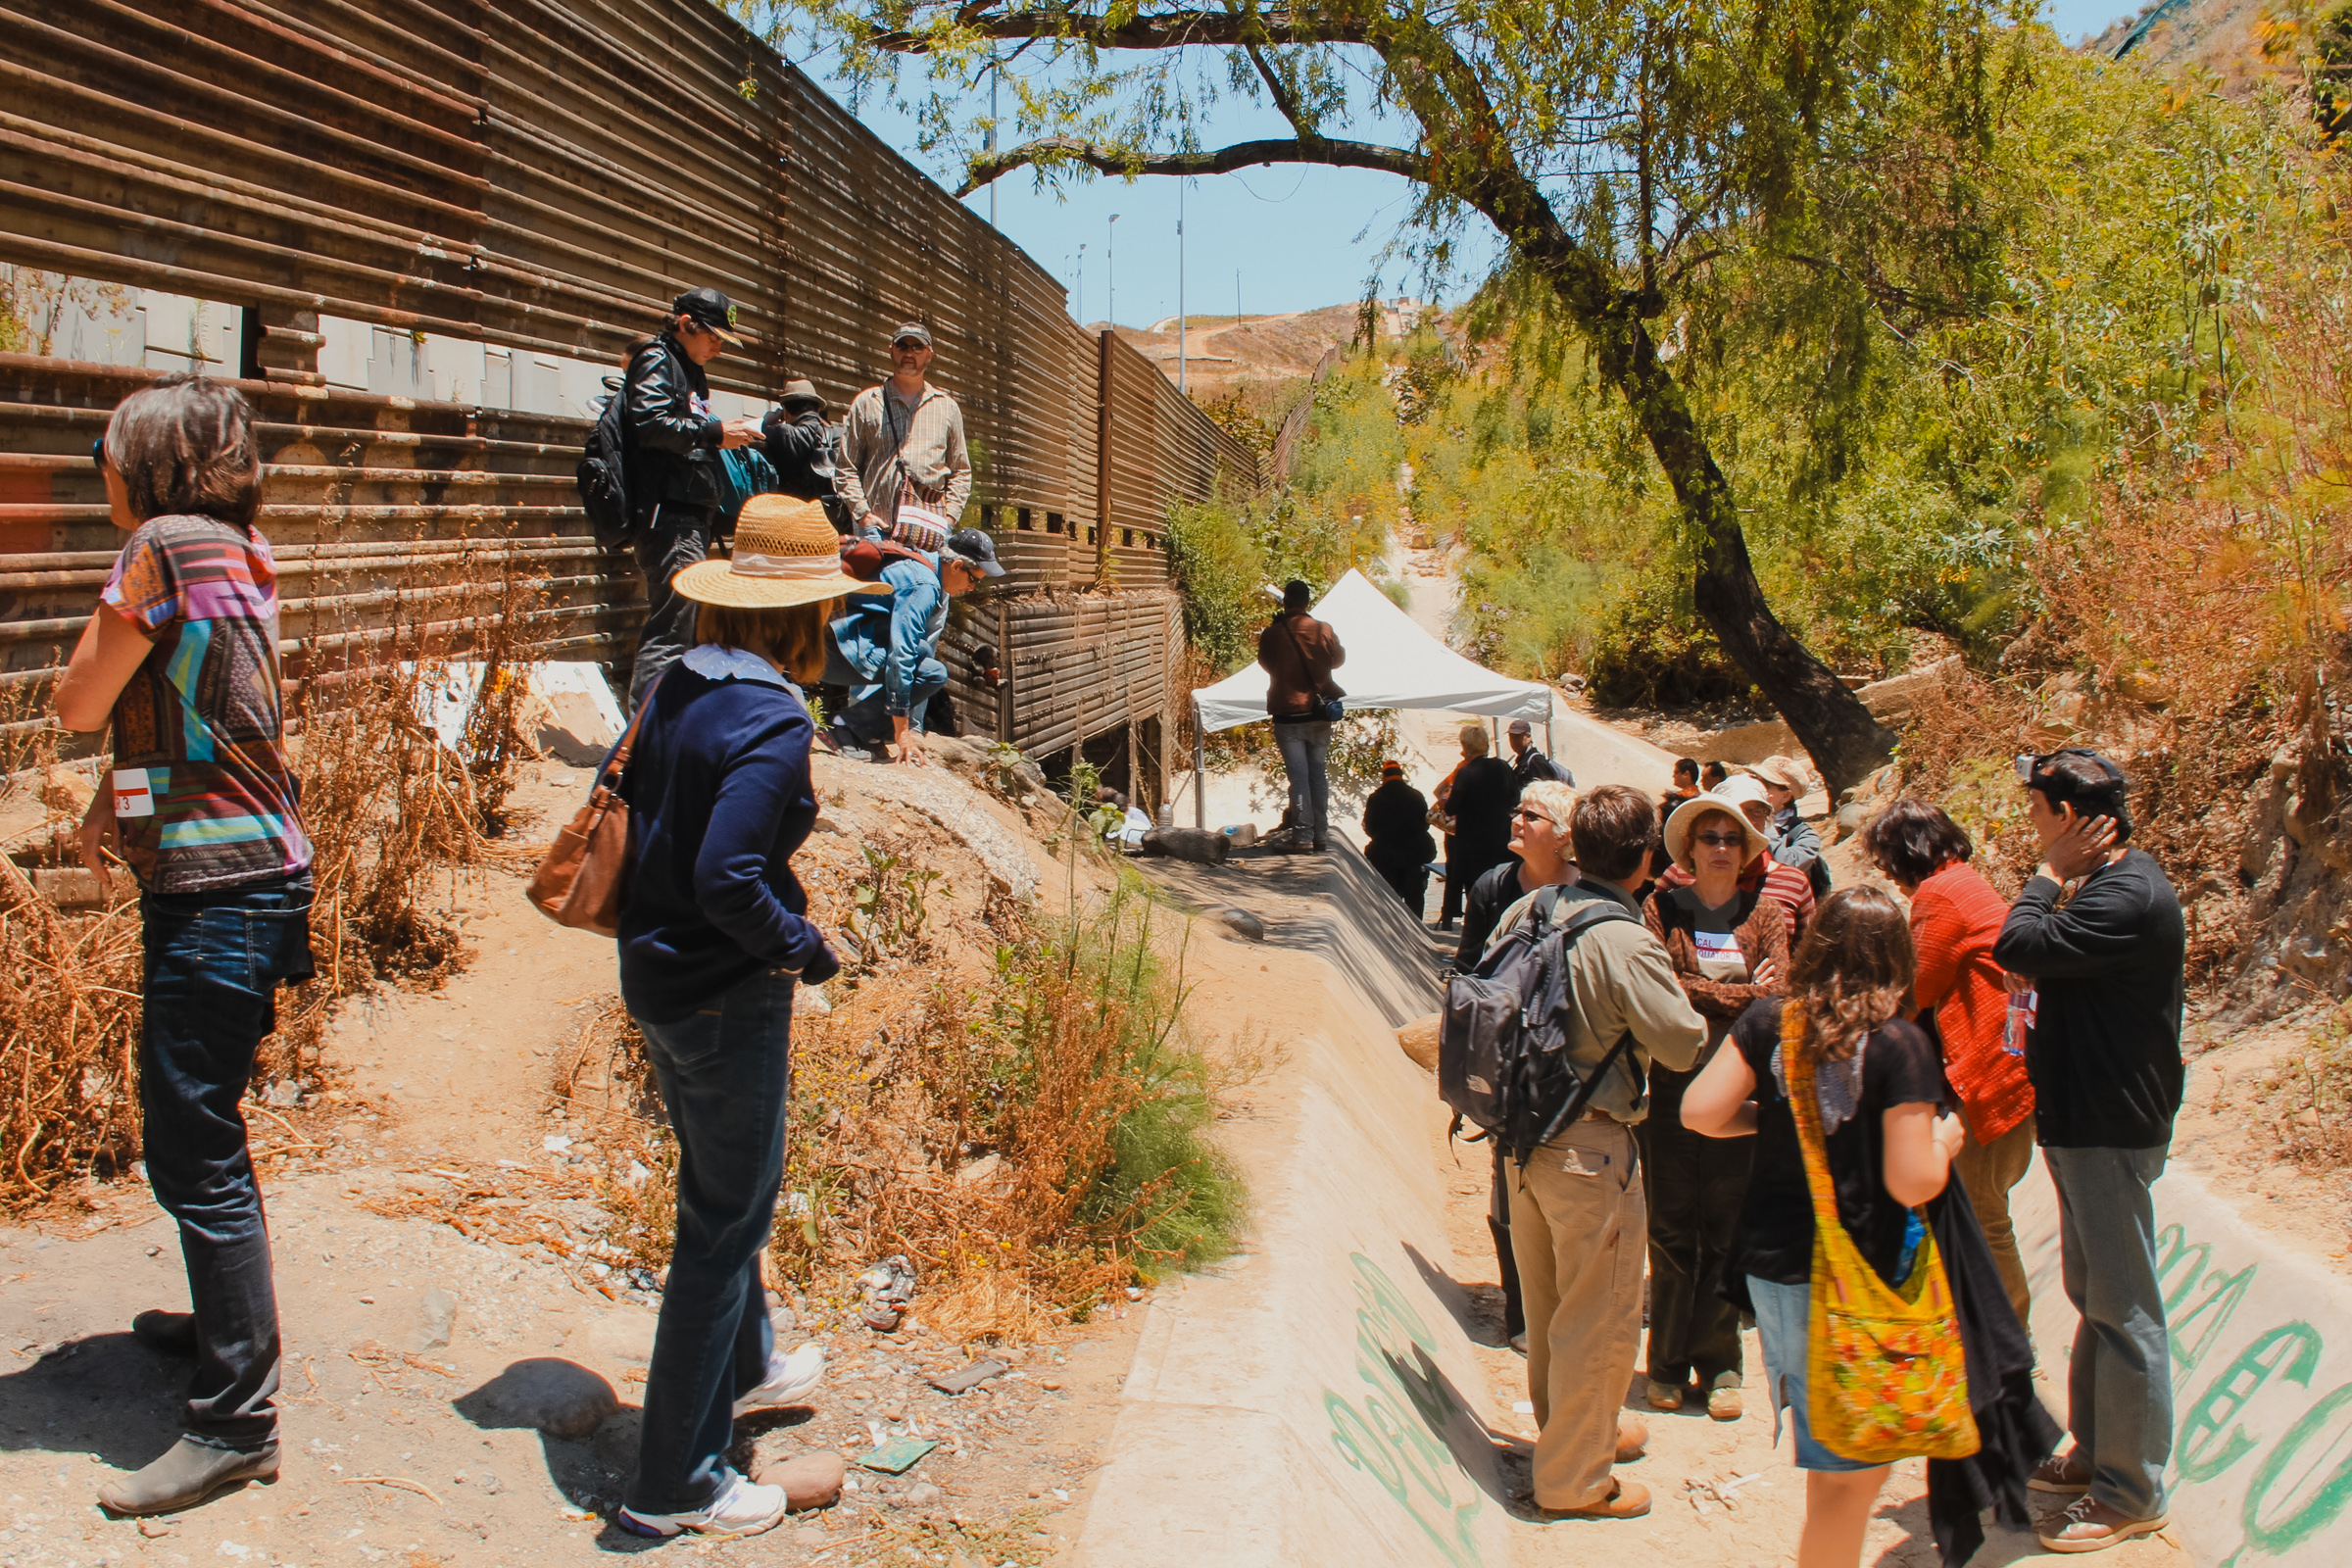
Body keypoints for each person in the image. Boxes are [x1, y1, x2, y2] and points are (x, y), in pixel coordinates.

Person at [52, 377, 315, 1516]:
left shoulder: (158, 546)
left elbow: (76, 699)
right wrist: (125, 799)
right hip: (257, 873)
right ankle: (222, 1327)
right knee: (200, 1122)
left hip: (218, 891)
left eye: (109, 452)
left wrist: (92, 727)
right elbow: (207, 706)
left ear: (151, 462)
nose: (100, 470)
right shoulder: (238, 546)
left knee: (193, 1142)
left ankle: (235, 1421)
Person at [611, 498, 857, 1540]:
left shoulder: (680, 682)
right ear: (800, 617)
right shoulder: (771, 717)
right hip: (723, 993)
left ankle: (747, 1367)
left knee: (723, 1195)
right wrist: (804, 946)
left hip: (658, 977)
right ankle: (674, 1483)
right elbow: (729, 875)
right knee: (722, 1223)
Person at [1681, 888, 1969, 1568]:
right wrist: (1949, 1139)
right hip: (1862, 1282)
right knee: (1851, 1480)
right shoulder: (1902, 1044)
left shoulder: (1769, 1021)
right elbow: (1913, 1180)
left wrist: (1774, 1118)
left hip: (1777, 1268)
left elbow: (1700, 1112)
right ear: (1897, 958)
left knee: (1831, 1466)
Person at [1991, 749, 2184, 1554]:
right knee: (2094, 1298)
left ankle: (2130, 1490)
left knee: (2124, 1310)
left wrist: (2042, 875)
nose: (2032, 827)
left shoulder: (2127, 895)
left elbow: (2018, 945)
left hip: (2108, 1124)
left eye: (2038, 812)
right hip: (2082, 1120)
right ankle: (2097, 1455)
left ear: (2070, 819)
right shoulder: (2104, 890)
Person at [1510, 785, 1709, 1521]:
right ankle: (1573, 1479)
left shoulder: (1530, 909)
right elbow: (1681, 1043)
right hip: (1591, 1148)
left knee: (1551, 1302)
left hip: (1520, 1137)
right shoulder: (1625, 940)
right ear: (1646, 860)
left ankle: (1566, 1433)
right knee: (1601, 1315)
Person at [1639, 788, 1790, 1421]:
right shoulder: (1661, 908)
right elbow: (1660, 986)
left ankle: (1721, 1361)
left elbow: (1779, 994)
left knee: (1727, 1226)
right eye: (1710, 840)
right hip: (1672, 1085)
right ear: (1689, 851)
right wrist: (1733, 994)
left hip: (1740, 1089)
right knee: (1672, 1226)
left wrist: (1700, 993)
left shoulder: (1769, 915)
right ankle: (1667, 1362)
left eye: (1732, 840)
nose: (1723, 850)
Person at [1859, 797, 2037, 1324]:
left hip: (1984, 1080)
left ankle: (2010, 1337)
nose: (1892, 878)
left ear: (1904, 854)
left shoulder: (1940, 894)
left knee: (1982, 1216)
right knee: (1974, 1212)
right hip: (2005, 1071)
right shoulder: (1966, 881)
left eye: (1888, 864)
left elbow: (1916, 991)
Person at [1453, 778, 1581, 1350]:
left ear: (1563, 836)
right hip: (1508, 1063)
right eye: (1518, 811)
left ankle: (1566, 1311)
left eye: (1531, 815)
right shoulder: (1492, 887)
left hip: (1571, 1065)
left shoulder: (1593, 895)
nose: (1517, 820)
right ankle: (1522, 1312)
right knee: (1508, 1191)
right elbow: (1468, 970)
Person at [624, 287, 764, 710]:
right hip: (668, 517)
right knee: (670, 630)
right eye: (714, 337)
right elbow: (649, 423)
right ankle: (642, 739)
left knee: (681, 627)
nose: (719, 348)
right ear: (686, 324)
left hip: (687, 516)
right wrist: (715, 433)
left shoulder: (687, 367)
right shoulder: (657, 359)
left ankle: (656, 730)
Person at [822, 521, 1004, 762]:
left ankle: (865, 732)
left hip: (836, 644)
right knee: (932, 673)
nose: (971, 587)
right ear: (957, 565)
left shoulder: (922, 561)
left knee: (922, 652)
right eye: (973, 579)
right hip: (832, 656)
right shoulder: (924, 586)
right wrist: (903, 732)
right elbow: (901, 655)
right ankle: (846, 729)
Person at [833, 323, 972, 537]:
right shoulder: (866, 403)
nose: (909, 353)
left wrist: (949, 518)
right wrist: (862, 514)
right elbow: (845, 467)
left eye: (917, 347)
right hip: (876, 532)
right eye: (902, 346)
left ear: (929, 355)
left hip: (929, 531)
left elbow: (961, 471)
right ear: (891, 350)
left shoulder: (947, 407)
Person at [1653, 774, 1817, 940]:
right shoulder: (1679, 875)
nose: (1750, 819)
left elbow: (1807, 952)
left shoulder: (1793, 882)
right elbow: (1656, 937)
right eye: (1740, 810)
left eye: (1759, 811)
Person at [1255, 580, 1347, 851]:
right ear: (1307, 602)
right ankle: (1321, 834)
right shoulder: (1323, 629)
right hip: (1320, 713)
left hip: (1289, 714)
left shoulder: (1272, 634)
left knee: (1299, 778)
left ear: (1285, 601)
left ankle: (1303, 836)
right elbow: (1338, 660)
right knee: (1318, 774)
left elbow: (1266, 665)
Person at [1444, 723, 1520, 910]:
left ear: (1466, 746)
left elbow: (1452, 808)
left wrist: (1446, 799)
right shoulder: (1503, 767)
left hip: (1472, 846)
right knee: (1500, 893)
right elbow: (1516, 798)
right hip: (1501, 842)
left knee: (1476, 896)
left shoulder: (1465, 772)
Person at [1361, 760, 1437, 912]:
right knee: (1415, 895)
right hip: (1415, 854)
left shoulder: (1375, 798)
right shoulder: (1416, 796)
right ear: (1401, 776)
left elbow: (1370, 829)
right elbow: (1425, 825)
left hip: (1385, 856)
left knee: (1389, 897)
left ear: (1384, 777)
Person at [1754, 755, 1832, 899]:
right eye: (1755, 780)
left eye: (1765, 785)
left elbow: (1786, 866)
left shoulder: (1806, 837)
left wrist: (1764, 823)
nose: (1757, 788)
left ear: (1786, 796)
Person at [761, 379, 841, 514]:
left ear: (785, 412)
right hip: (833, 522)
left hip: (796, 521)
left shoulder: (780, 434)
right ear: (818, 409)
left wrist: (766, 424)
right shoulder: (840, 435)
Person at [1506, 716, 1573, 789]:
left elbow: (1544, 792)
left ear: (1528, 737)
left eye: (1517, 737)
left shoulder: (1536, 762)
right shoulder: (1523, 762)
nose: (1513, 741)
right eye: (1511, 737)